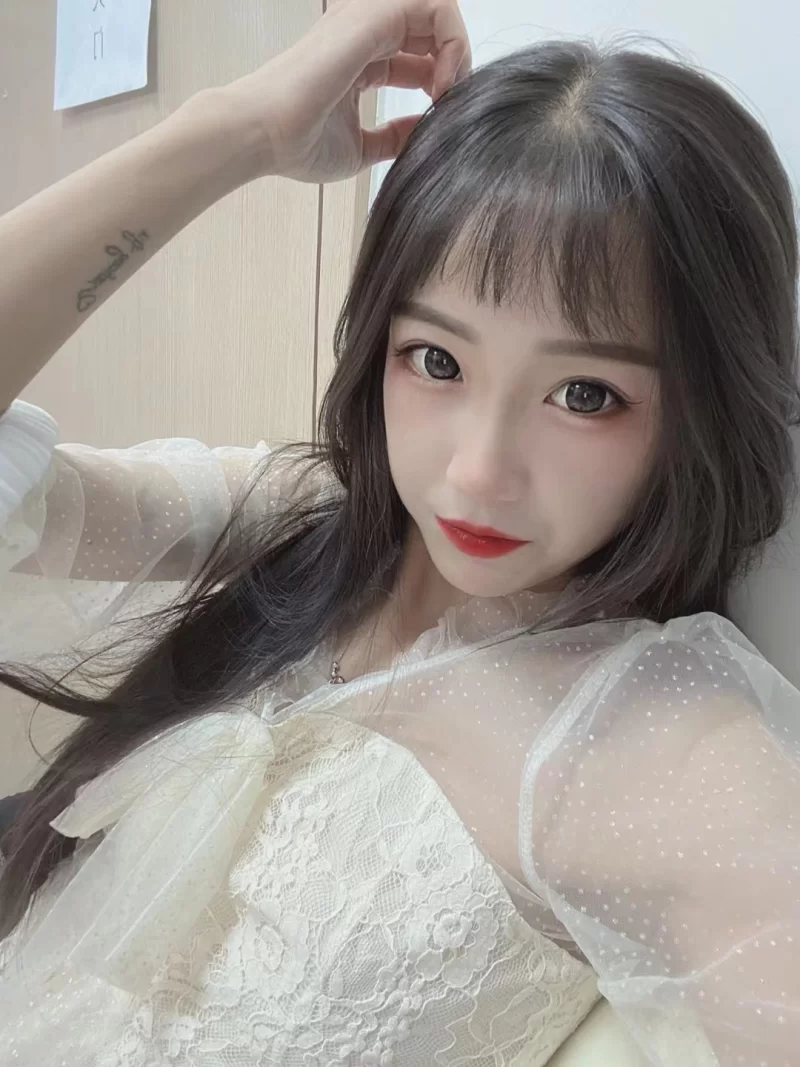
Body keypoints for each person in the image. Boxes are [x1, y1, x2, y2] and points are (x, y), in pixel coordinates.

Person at [0, 0, 798, 1061]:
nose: (476, 471)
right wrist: (235, 129)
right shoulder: (295, 524)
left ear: (699, 411)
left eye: (585, 394)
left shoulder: (652, 742)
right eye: (437, 360)